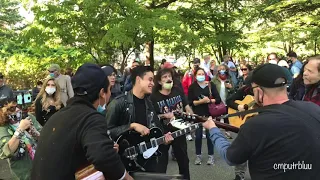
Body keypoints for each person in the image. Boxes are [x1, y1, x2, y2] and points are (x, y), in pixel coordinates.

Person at [203, 63, 320, 180]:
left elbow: (231, 157)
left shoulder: (255, 124)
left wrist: (213, 130)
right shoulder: (313, 109)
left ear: (258, 91)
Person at [31, 63, 133, 180]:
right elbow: (102, 157)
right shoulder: (91, 118)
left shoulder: (58, 116)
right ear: (102, 93)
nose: (110, 94)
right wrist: (126, 177)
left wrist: (105, 147)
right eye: (109, 89)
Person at [106, 65, 173, 173]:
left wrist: (165, 140)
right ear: (138, 79)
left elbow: (157, 132)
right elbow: (107, 132)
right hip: (124, 165)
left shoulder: (150, 104)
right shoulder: (118, 103)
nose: (153, 83)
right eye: (150, 80)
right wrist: (131, 126)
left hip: (148, 163)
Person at [150, 68, 193, 180]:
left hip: (179, 131)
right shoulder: (153, 97)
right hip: (163, 134)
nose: (168, 79)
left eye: (169, 76)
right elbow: (152, 117)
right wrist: (165, 115)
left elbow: (186, 105)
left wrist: (191, 116)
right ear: (159, 81)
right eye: (165, 77)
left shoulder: (177, 90)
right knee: (162, 163)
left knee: (183, 161)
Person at [0, 99, 41, 180]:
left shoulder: (28, 117)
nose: (18, 110)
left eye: (18, 106)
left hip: (41, 164)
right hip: (24, 173)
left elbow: (44, 137)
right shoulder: (3, 127)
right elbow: (5, 152)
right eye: (12, 108)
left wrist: (35, 132)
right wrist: (20, 129)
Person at [188, 68, 221, 165]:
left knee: (209, 135)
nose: (201, 75)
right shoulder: (192, 87)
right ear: (195, 75)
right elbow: (190, 102)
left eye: (203, 74)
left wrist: (209, 101)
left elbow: (218, 99)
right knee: (198, 136)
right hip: (197, 115)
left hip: (209, 114)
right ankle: (198, 156)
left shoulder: (210, 85)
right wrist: (200, 102)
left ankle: (211, 156)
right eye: (199, 74)